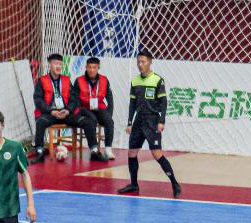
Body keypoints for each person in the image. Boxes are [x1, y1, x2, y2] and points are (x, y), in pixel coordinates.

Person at [119, 50, 182, 197]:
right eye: (138, 62)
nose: (140, 65)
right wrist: (130, 122)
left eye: (143, 62)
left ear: (150, 62)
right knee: (132, 152)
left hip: (152, 121)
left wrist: (161, 121)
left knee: (156, 154)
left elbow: (164, 102)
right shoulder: (135, 81)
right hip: (138, 121)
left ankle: (174, 183)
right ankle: (134, 184)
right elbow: (132, 104)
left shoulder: (157, 80)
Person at [30, 53, 100, 164]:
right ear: (49, 65)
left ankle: (94, 151)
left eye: (60, 64)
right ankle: (39, 151)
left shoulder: (66, 80)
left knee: (87, 121)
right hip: (50, 114)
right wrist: (51, 111)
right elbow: (38, 100)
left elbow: (74, 99)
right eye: (55, 64)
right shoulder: (42, 81)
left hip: (65, 113)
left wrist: (68, 110)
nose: (58, 66)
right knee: (40, 122)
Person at [76, 57, 117, 161]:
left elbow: (110, 98)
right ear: (86, 67)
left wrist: (109, 113)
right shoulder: (79, 80)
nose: (92, 70)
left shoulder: (104, 80)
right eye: (89, 67)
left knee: (109, 121)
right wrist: (78, 111)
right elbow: (74, 99)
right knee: (92, 120)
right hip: (84, 108)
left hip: (99, 108)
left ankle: (108, 149)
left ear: (98, 67)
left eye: (94, 67)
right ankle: (94, 149)